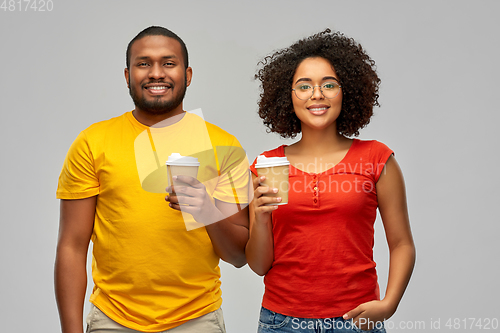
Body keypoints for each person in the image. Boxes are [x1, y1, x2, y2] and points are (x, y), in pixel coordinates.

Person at [55, 26, 249, 333]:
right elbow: (72, 246)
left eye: (168, 63)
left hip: (197, 320)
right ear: (127, 75)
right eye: (143, 63)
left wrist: (206, 211)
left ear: (187, 75)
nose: (156, 73)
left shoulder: (224, 146)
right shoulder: (93, 141)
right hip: (112, 320)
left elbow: (239, 256)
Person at [246, 29, 415, 333]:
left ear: (345, 90)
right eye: (304, 86)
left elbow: (402, 243)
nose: (317, 94)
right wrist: (260, 216)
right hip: (281, 323)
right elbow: (259, 265)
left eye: (328, 84)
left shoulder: (377, 158)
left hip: (356, 321)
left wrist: (389, 304)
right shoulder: (266, 165)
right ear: (288, 95)